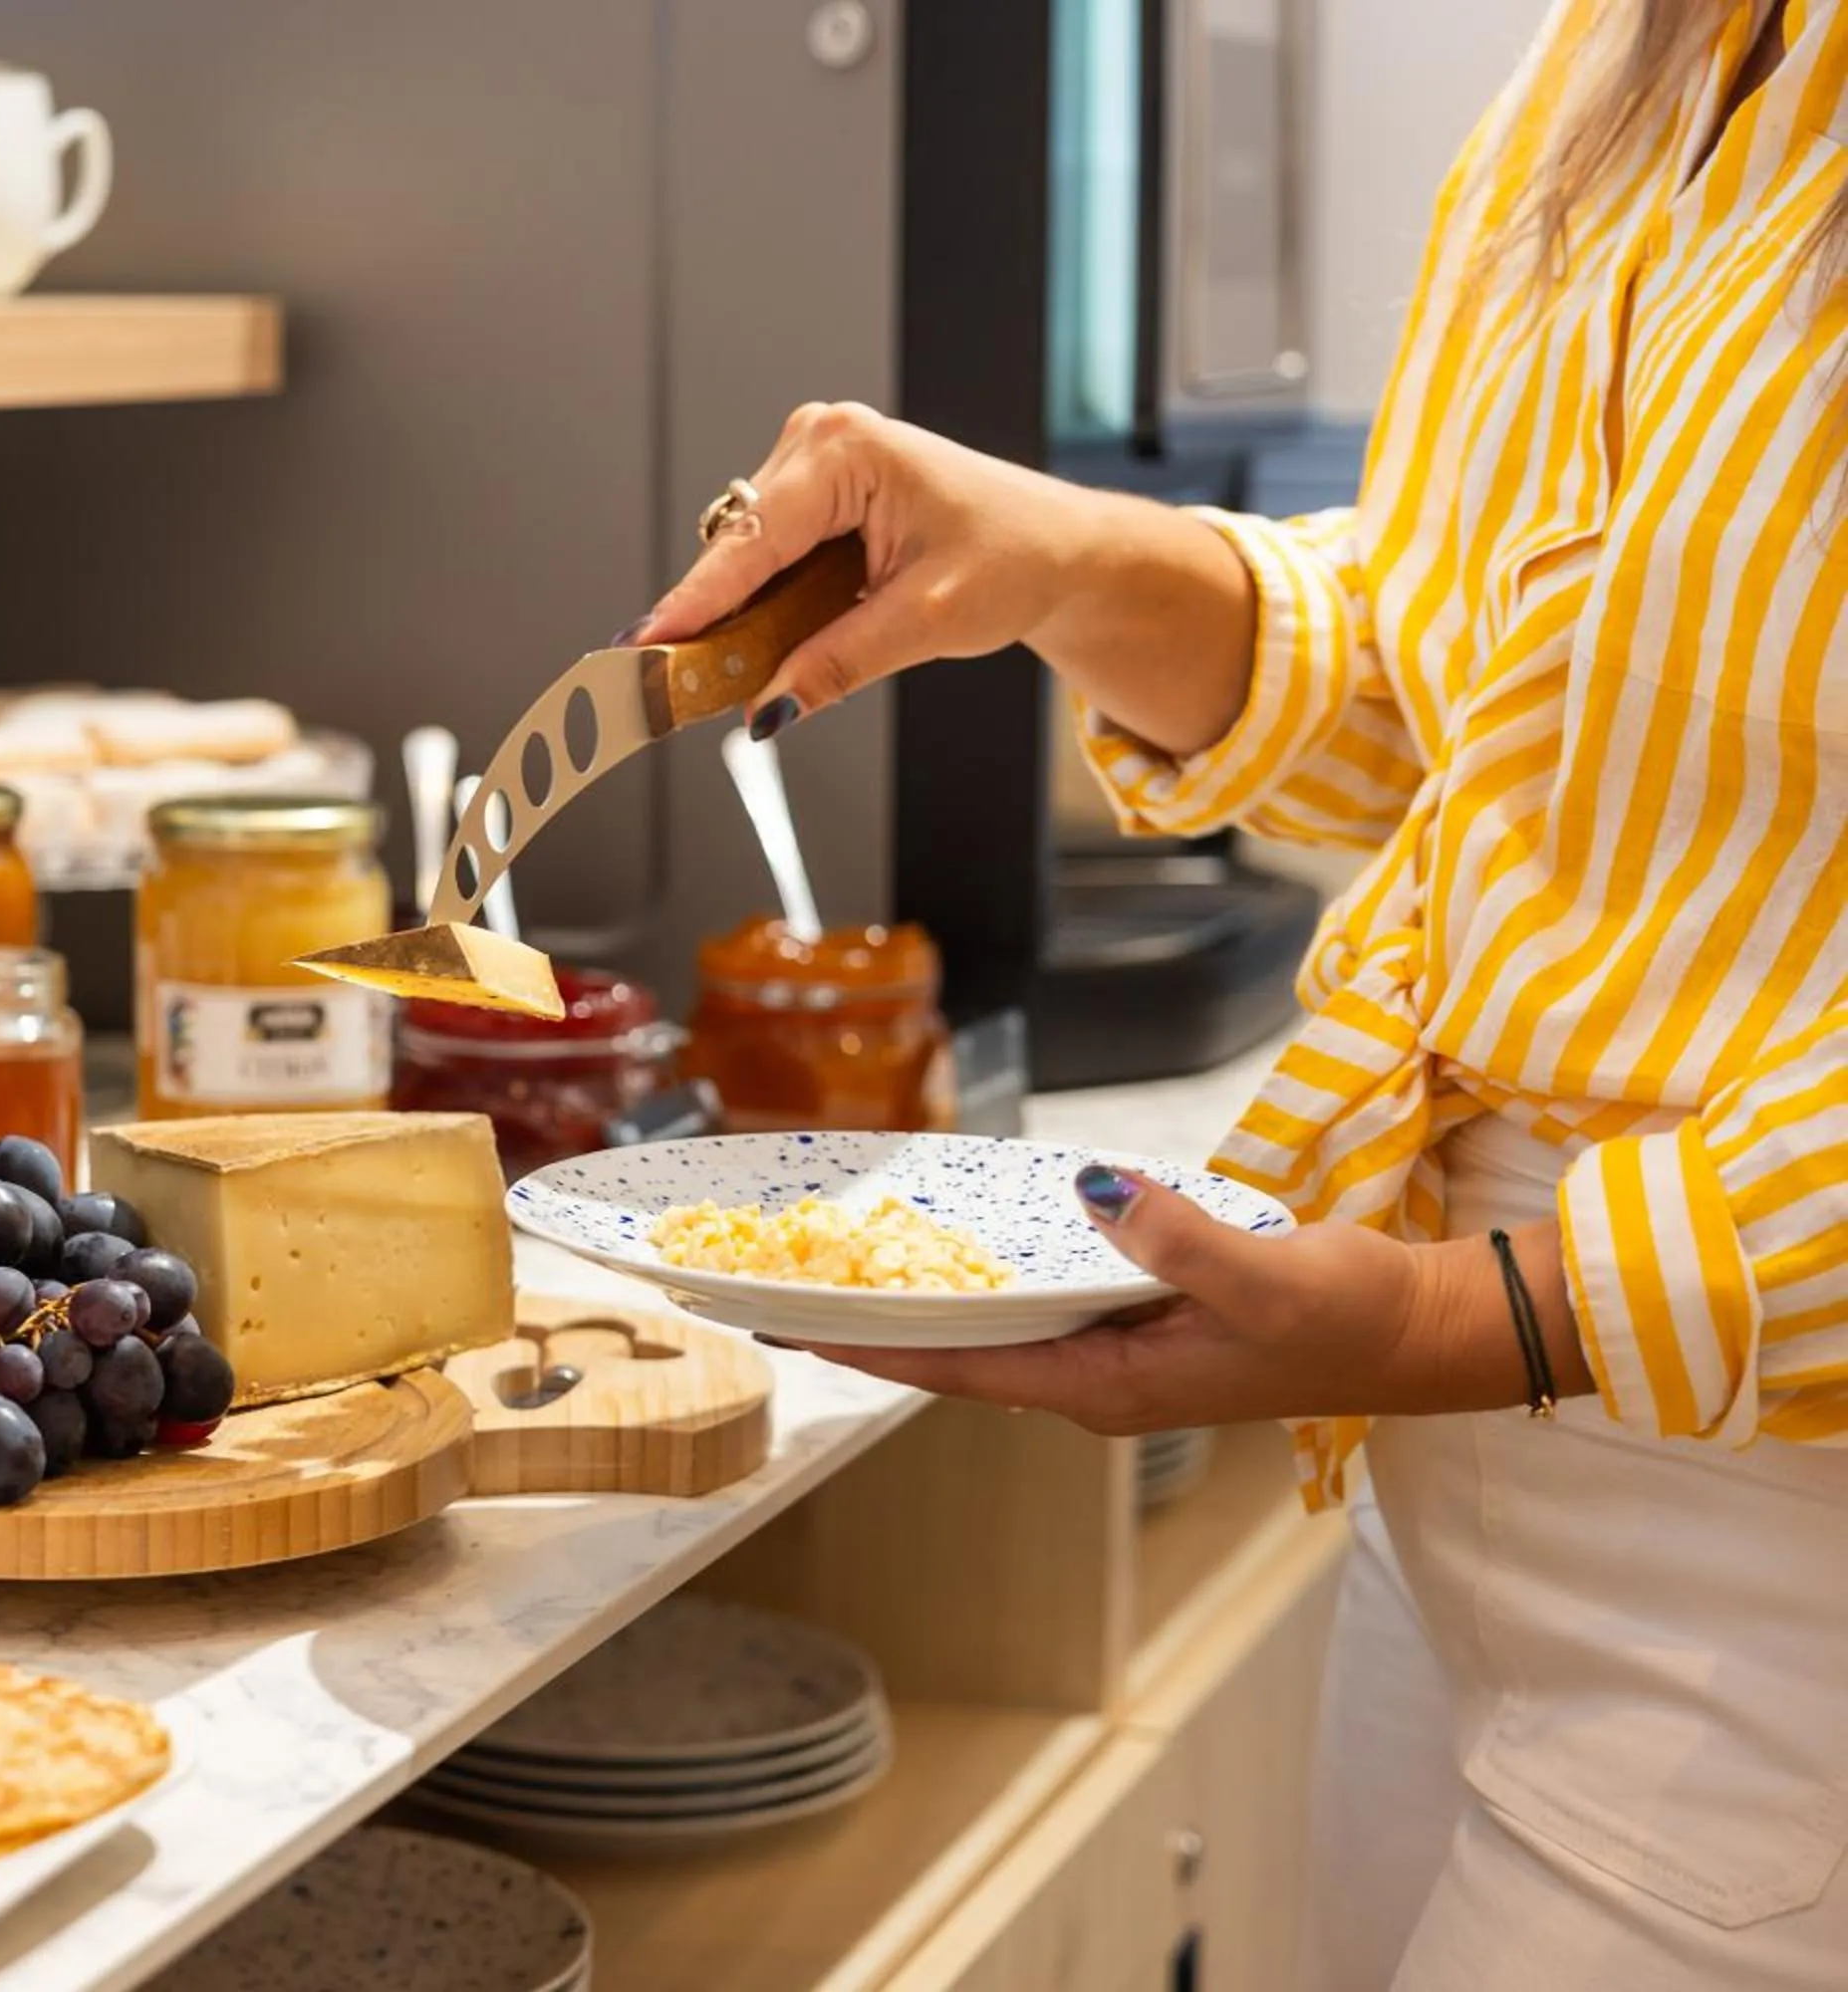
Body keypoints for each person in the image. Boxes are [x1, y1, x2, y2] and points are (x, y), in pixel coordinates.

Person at [631, 1, 1848, 1985]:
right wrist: (1066, 562)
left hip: (1777, 1506)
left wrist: (1483, 1311)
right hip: (1462, 1468)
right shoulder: (1643, 46)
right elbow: (1518, 703)